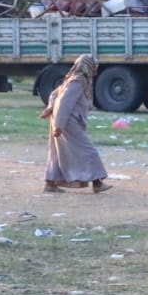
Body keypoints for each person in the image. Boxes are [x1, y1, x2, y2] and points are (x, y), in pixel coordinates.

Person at [39, 54, 111, 194]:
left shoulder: (72, 79)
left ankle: (50, 184)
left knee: (58, 152)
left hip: (64, 120)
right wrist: (59, 125)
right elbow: (64, 102)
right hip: (68, 122)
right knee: (87, 151)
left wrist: (50, 108)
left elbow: (54, 95)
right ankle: (97, 183)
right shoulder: (78, 81)